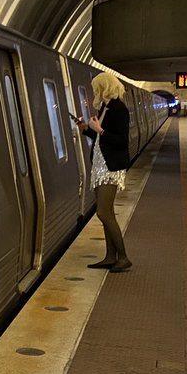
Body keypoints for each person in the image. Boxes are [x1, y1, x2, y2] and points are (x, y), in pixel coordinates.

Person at [78, 72, 132, 272]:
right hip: (100, 166)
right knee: (106, 213)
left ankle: (123, 257)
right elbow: (101, 137)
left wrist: (99, 130)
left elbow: (120, 140)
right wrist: (87, 128)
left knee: (103, 212)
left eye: (96, 88)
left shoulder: (119, 109)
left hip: (111, 168)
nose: (94, 92)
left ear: (105, 87)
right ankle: (110, 256)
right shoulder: (105, 108)